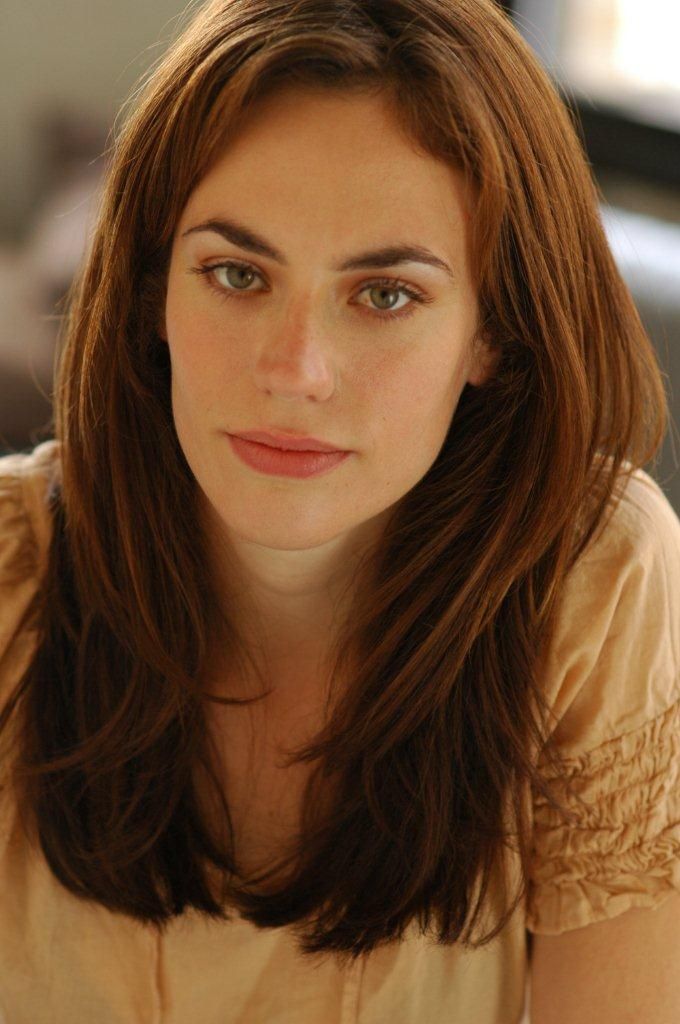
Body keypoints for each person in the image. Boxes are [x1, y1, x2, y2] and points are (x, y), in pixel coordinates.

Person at [0, 1, 678, 1021]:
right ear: (152, 296)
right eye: (235, 274)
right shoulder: (13, 582)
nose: (294, 372)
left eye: (385, 296)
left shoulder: (587, 576)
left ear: (491, 332)